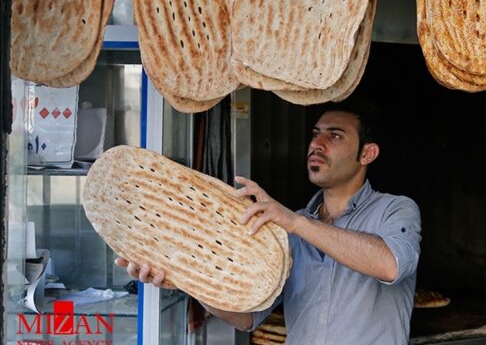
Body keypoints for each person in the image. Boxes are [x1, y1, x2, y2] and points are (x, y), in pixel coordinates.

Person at [116, 101, 422, 344]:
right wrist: (184, 277)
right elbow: (248, 317)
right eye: (315, 133)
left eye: (335, 135)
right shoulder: (291, 228)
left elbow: (390, 264)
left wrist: (296, 223)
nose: (317, 144)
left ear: (367, 153)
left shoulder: (395, 210)